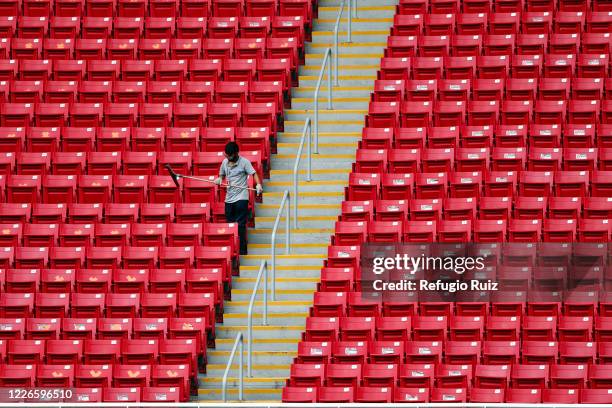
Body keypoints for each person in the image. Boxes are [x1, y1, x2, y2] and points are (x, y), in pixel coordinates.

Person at [215, 142, 263, 255]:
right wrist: (219, 179)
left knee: (240, 225)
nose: (227, 158)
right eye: (226, 156)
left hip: (241, 197)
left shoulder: (244, 162)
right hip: (229, 198)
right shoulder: (224, 162)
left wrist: (258, 185)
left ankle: (242, 250)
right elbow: (222, 175)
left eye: (229, 156)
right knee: (230, 225)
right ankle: (232, 251)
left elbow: (254, 174)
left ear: (236, 153)